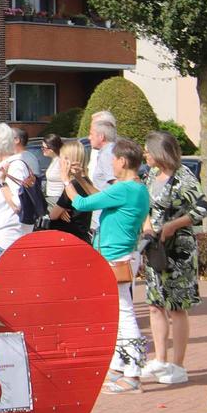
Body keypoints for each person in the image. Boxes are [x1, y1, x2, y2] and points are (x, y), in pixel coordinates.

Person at [69, 138, 153, 391]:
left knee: (125, 314)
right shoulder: (136, 188)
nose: (112, 164)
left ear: (123, 161)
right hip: (121, 255)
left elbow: (82, 204)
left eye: (114, 159)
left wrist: (66, 180)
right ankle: (119, 366)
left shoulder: (124, 189)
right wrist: (82, 178)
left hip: (116, 258)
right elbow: (102, 197)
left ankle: (134, 374)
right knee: (117, 313)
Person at [138, 131, 204, 386]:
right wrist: (146, 226)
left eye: (148, 150)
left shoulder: (184, 176)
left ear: (159, 151)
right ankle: (160, 359)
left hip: (179, 250)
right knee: (156, 304)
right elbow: (145, 205)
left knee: (177, 307)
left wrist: (174, 225)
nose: (145, 154)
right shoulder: (151, 175)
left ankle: (179, 364)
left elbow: (201, 207)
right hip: (155, 247)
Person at [0, 123, 35, 280]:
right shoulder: (5, 166)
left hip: (3, 236)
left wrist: (2, 183)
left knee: (1, 286)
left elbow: (17, 204)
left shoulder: (14, 167)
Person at [45, 139, 98, 246]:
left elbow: (53, 215)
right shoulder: (85, 181)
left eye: (61, 157)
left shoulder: (72, 185)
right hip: (81, 235)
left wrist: (60, 211)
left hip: (70, 237)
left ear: (68, 160)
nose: (59, 161)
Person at [87, 111, 119, 190]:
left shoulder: (108, 153)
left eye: (91, 134)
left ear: (101, 136)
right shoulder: (103, 151)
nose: (89, 138)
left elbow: (116, 184)